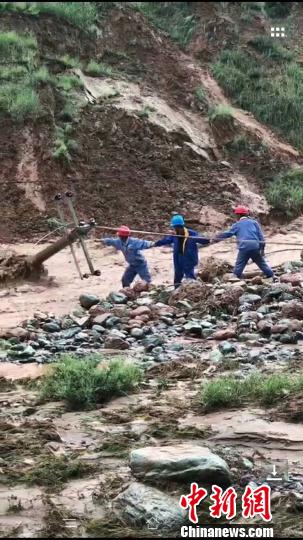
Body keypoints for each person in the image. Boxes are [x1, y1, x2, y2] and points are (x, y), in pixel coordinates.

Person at [213, 206, 276, 280]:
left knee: (239, 264)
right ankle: (272, 276)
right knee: (261, 263)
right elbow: (261, 238)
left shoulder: (237, 225)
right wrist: (262, 250)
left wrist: (216, 238)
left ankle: (235, 278)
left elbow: (227, 234)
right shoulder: (254, 223)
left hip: (244, 247)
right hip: (255, 247)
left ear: (238, 215)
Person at [153, 215, 210, 288]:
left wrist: (208, 239)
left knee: (190, 276)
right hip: (178, 258)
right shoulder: (174, 235)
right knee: (177, 276)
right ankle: (176, 291)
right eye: (175, 227)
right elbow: (166, 240)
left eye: (178, 227)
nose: (176, 229)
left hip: (189, 258)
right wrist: (156, 243)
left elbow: (203, 240)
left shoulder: (191, 234)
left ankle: (192, 290)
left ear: (182, 226)